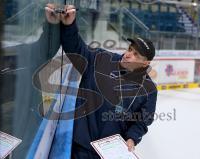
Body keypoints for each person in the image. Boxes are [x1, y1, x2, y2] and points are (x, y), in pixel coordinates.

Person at [45, 4, 158, 159]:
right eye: (130, 49)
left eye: (136, 54)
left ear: (145, 63)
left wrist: (132, 138)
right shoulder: (101, 58)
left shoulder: (149, 89)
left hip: (109, 152)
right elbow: (75, 49)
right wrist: (69, 25)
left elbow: (142, 121)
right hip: (80, 145)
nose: (127, 54)